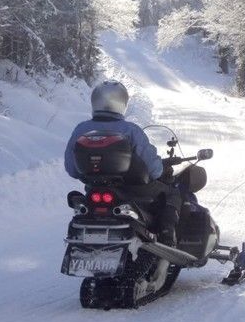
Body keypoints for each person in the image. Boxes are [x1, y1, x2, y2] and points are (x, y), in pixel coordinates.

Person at [64, 80, 180, 246]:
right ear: (122, 103)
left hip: (94, 191)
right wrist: (161, 170)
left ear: (95, 101)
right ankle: (167, 235)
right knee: (171, 193)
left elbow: (71, 168)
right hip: (133, 191)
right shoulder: (130, 130)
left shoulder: (81, 129)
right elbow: (154, 170)